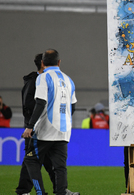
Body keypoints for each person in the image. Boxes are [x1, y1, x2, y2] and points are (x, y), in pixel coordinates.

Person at [21, 49, 79, 195]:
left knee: (31, 160)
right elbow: (72, 106)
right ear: (59, 62)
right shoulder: (69, 79)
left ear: (42, 62)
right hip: (63, 130)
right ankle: (61, 193)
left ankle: (40, 193)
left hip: (45, 129)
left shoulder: (43, 77)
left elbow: (40, 103)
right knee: (60, 167)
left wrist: (30, 126)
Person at [16, 53, 57, 195]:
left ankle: (60, 189)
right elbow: (28, 106)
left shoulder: (43, 80)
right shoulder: (34, 82)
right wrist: (31, 125)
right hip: (35, 129)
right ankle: (23, 191)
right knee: (32, 160)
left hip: (45, 129)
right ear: (42, 63)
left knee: (48, 161)